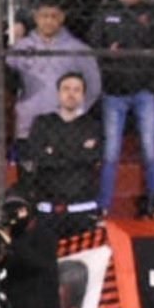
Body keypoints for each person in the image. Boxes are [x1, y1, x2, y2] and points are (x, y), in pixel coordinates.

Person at [89, 0, 154, 213]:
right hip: (113, 93)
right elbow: (94, 50)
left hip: (144, 92)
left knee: (150, 149)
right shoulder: (105, 12)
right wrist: (109, 59)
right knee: (110, 151)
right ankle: (104, 207)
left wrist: (152, 85)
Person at [7, 0, 101, 181]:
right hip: (27, 126)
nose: (49, 21)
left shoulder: (78, 49)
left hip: (62, 128)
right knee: (27, 180)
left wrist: (75, 112)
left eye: (54, 16)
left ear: (62, 18)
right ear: (35, 17)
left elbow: (94, 86)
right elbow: (7, 84)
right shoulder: (21, 47)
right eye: (44, 16)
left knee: (59, 180)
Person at [24, 72, 102, 237]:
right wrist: (78, 151)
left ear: (83, 95)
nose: (71, 94)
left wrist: (55, 151)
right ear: (58, 93)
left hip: (82, 207)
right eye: (66, 89)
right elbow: (39, 157)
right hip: (48, 207)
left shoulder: (93, 125)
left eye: (76, 90)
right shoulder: (42, 122)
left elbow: (93, 157)